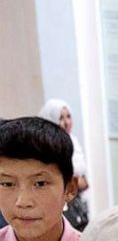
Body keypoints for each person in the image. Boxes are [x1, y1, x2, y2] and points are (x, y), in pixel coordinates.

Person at [39, 99, 89, 231]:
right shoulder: (48, 144)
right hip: (61, 205)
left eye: (68, 116)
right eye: (61, 118)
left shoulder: (74, 140)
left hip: (77, 203)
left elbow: (83, 180)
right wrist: (77, 182)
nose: (66, 122)